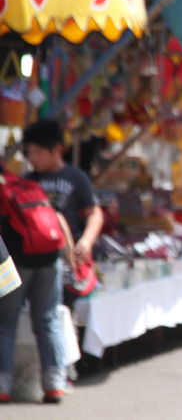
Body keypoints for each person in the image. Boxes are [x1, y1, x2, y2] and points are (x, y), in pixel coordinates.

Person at [0, 119, 103, 403]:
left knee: (7, 321)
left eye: (35, 152)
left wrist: (84, 243)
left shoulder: (74, 178)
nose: (31, 158)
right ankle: (54, 382)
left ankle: (4, 384)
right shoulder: (29, 179)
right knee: (47, 320)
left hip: (24, 261)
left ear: (55, 149)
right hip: (51, 259)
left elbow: (94, 213)